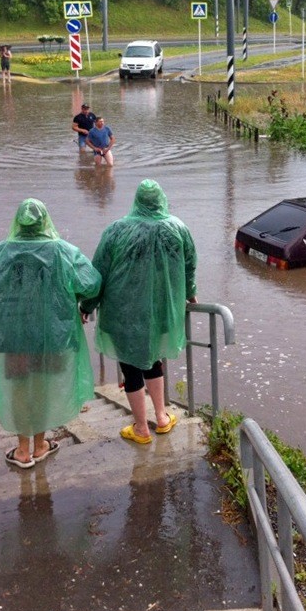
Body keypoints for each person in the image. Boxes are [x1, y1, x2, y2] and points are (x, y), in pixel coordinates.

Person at [0, 199, 101, 469]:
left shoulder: (0, 253)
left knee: (21, 388)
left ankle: (23, 450)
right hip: (52, 334)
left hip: (14, 335)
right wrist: (73, 298)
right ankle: (40, 445)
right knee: (43, 387)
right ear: (45, 221)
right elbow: (91, 282)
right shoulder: (62, 251)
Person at [80, 180, 198, 445]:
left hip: (123, 311)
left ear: (136, 201)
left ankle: (142, 428)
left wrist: (86, 306)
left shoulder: (117, 230)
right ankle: (162, 417)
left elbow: (98, 273)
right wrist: (190, 292)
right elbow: (189, 266)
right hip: (160, 310)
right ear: (161, 200)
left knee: (131, 367)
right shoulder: (177, 228)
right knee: (153, 359)